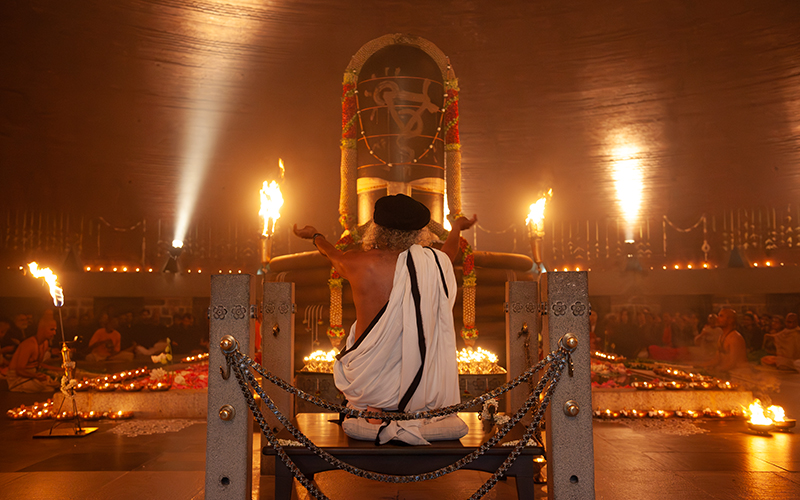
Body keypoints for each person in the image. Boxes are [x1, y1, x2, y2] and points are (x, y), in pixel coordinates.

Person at [294, 194, 477, 445]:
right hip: (422, 389)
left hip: (369, 385)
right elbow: (451, 251)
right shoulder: (434, 263)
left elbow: (332, 254)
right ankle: (409, 407)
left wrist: (315, 236)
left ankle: (375, 408)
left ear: (376, 229)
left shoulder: (357, 263)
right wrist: (456, 227)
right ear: (417, 233)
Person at [7, 318, 60, 392]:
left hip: (32, 375)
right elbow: (19, 370)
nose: (54, 333)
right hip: (18, 379)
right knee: (48, 388)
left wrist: (60, 370)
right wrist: (35, 376)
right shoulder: (29, 344)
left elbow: (39, 365)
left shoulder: (45, 344)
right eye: (51, 330)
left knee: (56, 382)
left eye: (55, 330)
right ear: (42, 329)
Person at [697, 308, 747, 374]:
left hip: (738, 374)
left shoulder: (735, 338)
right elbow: (717, 359)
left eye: (721, 316)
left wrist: (717, 371)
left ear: (730, 320)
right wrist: (699, 366)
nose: (717, 319)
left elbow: (733, 363)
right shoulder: (722, 336)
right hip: (727, 372)